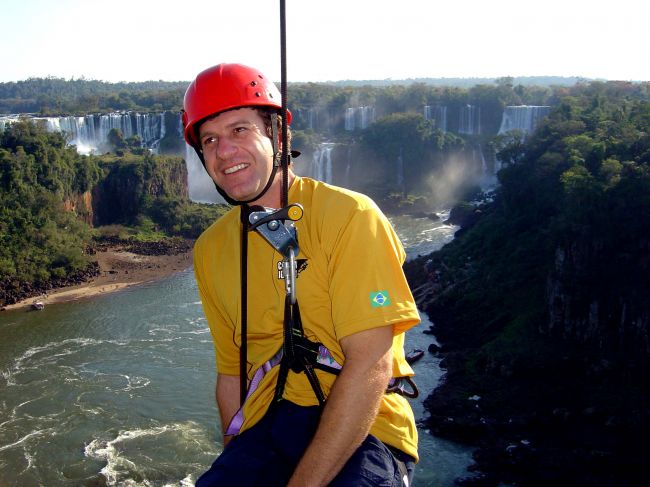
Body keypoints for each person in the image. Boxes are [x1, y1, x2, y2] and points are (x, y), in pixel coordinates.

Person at [184, 63, 420, 486]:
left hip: (367, 430)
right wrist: (233, 461)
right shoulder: (212, 250)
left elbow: (371, 362)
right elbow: (232, 373)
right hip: (269, 428)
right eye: (210, 140)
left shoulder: (350, 216)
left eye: (240, 130)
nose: (224, 152)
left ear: (277, 135)